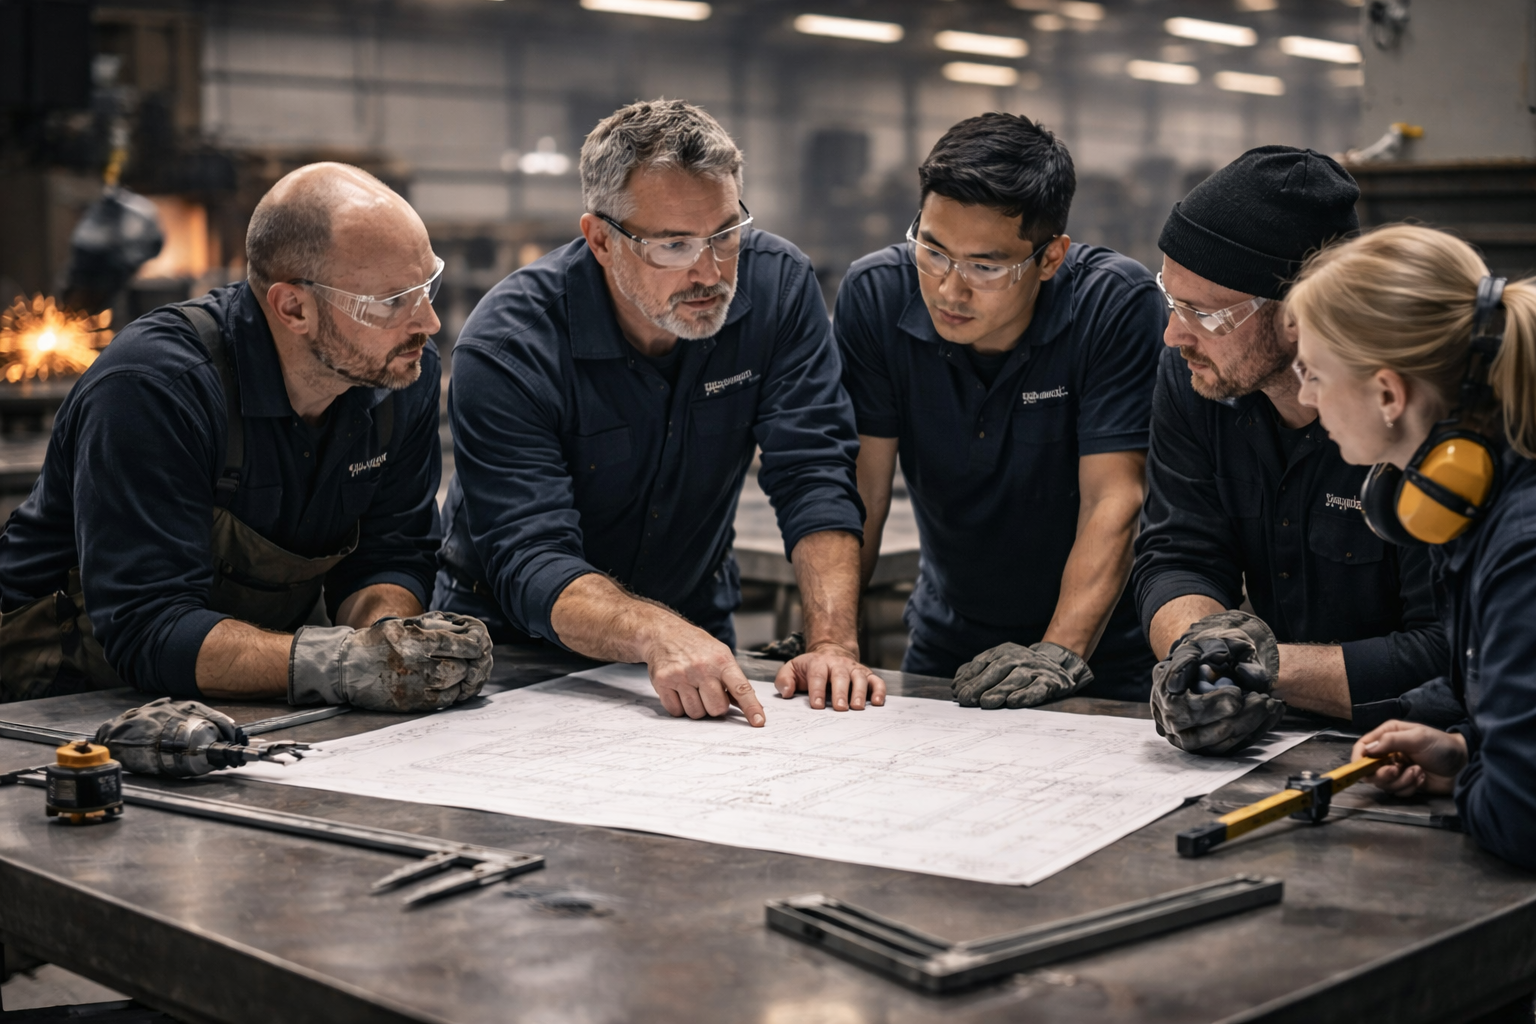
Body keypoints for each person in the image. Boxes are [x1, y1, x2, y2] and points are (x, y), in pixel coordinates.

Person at [436, 99, 879, 728]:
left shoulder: (777, 288)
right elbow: (530, 555)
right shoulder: (511, 348)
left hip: (693, 632)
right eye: (673, 246)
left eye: (725, 234)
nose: (710, 271)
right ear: (600, 240)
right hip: (516, 649)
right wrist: (653, 633)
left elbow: (813, 470)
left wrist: (832, 644)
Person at [0, 163, 491, 711]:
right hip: (60, 695)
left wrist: (391, 645)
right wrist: (345, 664)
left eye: (427, 285)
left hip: (239, 692)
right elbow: (149, 628)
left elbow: (389, 552)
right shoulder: (155, 390)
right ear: (293, 307)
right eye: (391, 301)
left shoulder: (397, 372)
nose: (428, 322)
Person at [835, 113, 1161, 708]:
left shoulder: (1113, 306)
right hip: (945, 641)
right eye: (932, 250)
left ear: (1050, 257)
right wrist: (830, 639)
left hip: (1100, 653)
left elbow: (1114, 499)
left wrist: (1057, 655)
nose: (949, 290)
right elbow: (864, 490)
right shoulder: (876, 295)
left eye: (985, 267)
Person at [1135, 147, 1448, 755]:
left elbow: (1451, 650)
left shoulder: (1410, 420)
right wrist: (1203, 656)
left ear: (1297, 316)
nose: (1175, 334)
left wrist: (1257, 667)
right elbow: (1177, 550)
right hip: (1275, 742)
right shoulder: (1197, 375)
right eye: (1170, 300)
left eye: (1204, 313)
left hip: (1408, 746)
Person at [1285, 224, 1536, 871]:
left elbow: (1520, 818)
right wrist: (1465, 749)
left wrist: (1488, 775)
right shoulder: (1489, 503)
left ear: (1389, 394)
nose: (1307, 399)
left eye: (1313, 374)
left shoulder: (1522, 543)